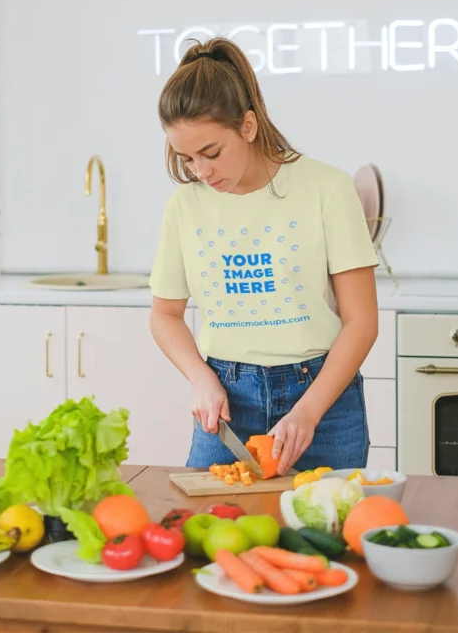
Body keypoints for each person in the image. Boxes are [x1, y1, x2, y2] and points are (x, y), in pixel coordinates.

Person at [149, 37, 378, 476]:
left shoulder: (326, 188)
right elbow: (165, 315)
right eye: (187, 158)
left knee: (324, 535)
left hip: (324, 399)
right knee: (212, 535)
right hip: (229, 402)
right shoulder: (184, 206)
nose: (200, 171)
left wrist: (308, 412)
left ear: (248, 126)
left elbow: (362, 321)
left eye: (211, 153)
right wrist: (200, 378)